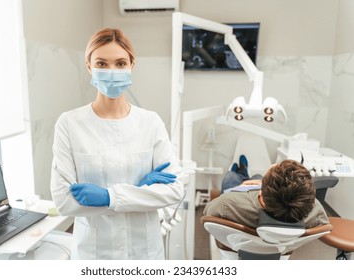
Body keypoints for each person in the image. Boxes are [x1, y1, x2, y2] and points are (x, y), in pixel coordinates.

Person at [50, 28, 184, 260]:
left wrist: (109, 196)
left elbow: (174, 189)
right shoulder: (69, 124)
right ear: (89, 66)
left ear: (132, 65)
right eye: (102, 64)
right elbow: (64, 201)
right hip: (94, 253)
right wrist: (139, 192)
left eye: (120, 63)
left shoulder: (150, 122)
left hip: (145, 252)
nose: (111, 71)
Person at [204, 156, 329, 229]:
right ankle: (245, 173)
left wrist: (241, 188)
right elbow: (323, 223)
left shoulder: (228, 203)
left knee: (230, 177)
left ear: (261, 194)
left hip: (241, 194)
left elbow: (207, 214)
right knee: (257, 175)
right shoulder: (315, 209)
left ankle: (238, 172)